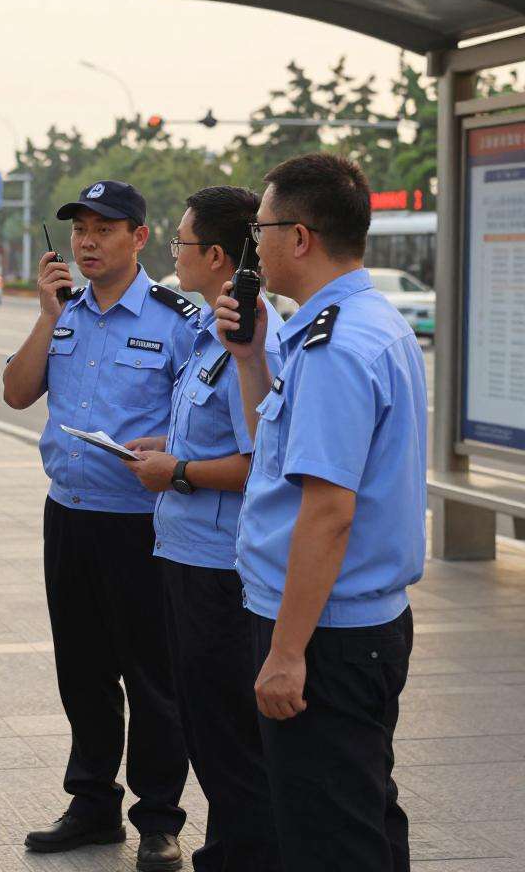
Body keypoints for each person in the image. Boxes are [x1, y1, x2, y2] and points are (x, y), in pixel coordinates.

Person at [214, 154, 426, 872]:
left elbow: (329, 510)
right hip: (352, 624)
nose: (256, 246)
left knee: (327, 836)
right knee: (360, 810)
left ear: (299, 237)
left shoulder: (336, 346)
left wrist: (286, 652)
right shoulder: (352, 324)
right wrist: (249, 361)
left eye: (261, 229)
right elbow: (276, 447)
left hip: (325, 635)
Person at [3, 180, 198, 872]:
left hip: (144, 525)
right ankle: (91, 804)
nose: (87, 241)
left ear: (139, 238)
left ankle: (159, 818)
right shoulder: (67, 313)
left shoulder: (179, 320)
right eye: (80, 229)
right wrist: (46, 316)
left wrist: (174, 462)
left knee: (152, 677)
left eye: (105, 229)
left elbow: (202, 423)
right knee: (81, 669)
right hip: (72, 518)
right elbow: (17, 393)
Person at [122, 187, 283, 872]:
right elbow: (213, 430)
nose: (173, 255)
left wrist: (178, 471)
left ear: (217, 256)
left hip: (221, 567)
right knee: (207, 724)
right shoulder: (209, 332)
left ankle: (242, 856)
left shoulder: (251, 336)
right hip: (187, 556)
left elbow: (260, 463)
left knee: (226, 735)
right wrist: (166, 445)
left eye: (181, 243)